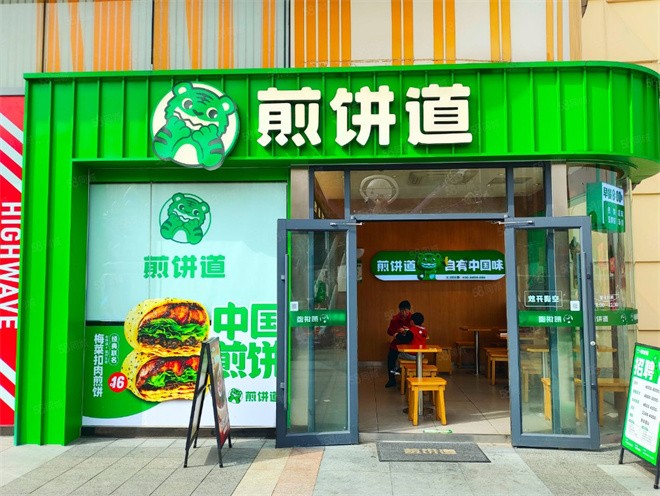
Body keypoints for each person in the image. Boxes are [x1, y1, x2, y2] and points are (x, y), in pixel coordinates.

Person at [385, 300, 413, 388]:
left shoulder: (413, 319)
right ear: (399, 310)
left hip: (409, 344)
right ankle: (392, 379)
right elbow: (389, 331)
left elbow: (417, 330)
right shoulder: (395, 319)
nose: (404, 313)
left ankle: (410, 379)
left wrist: (407, 330)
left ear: (409, 310)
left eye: (406, 311)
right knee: (391, 359)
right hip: (397, 343)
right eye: (402, 311)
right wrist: (397, 331)